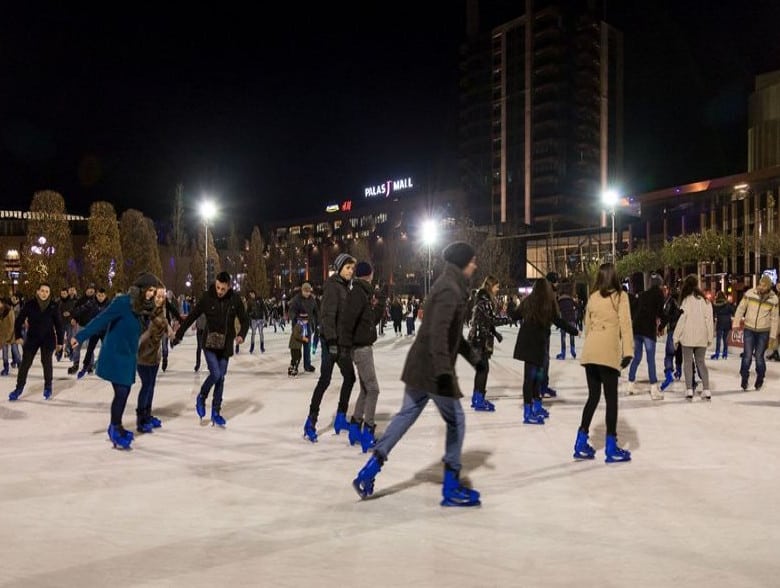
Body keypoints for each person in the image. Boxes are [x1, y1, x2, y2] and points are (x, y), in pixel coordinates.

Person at [352, 241, 484, 506]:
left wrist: (472, 357)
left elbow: (451, 333)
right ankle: (451, 487)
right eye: (472, 260)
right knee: (456, 421)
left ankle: (369, 470)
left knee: (404, 417)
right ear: (462, 263)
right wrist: (445, 373)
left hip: (420, 367)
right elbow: (438, 332)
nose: (475, 265)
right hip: (434, 370)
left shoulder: (449, 283)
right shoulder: (450, 288)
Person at [72, 273, 162, 449]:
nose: (151, 294)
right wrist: (81, 336)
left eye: (153, 291)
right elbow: (101, 319)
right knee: (121, 392)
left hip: (128, 355)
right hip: (114, 354)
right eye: (150, 290)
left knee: (125, 391)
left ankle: (117, 426)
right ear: (142, 289)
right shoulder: (123, 302)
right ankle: (114, 428)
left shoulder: (145, 308)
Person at [172, 271, 249, 426]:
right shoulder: (207, 297)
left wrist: (241, 334)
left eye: (223, 289)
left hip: (226, 344)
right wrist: (178, 335)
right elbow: (193, 315)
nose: (220, 291)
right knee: (216, 373)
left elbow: (245, 319)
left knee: (221, 377)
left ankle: (216, 411)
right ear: (215, 284)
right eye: (218, 287)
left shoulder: (235, 299)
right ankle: (202, 396)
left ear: (228, 287)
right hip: (210, 343)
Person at [574, 263, 633, 462]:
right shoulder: (620, 296)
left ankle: (580, 441)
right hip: (607, 352)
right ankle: (611, 446)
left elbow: (587, 325)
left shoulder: (593, 297)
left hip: (591, 352)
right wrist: (628, 352)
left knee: (593, 397)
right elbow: (625, 324)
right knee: (611, 400)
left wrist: (591, 346)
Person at [302, 253, 357, 442]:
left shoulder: (345, 288)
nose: (351, 271)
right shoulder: (334, 287)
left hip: (342, 343)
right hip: (331, 342)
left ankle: (341, 417)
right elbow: (327, 315)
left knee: (350, 377)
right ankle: (311, 421)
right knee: (325, 380)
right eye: (348, 268)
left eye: (352, 268)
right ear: (340, 267)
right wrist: (332, 342)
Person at [512, 279, 578, 425]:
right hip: (536, 345)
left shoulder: (529, 301)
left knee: (533, 378)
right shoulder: (548, 303)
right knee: (533, 378)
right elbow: (559, 321)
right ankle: (529, 412)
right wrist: (574, 331)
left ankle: (536, 407)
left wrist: (518, 307)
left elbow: (515, 316)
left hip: (531, 344)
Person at [340, 261, 383, 452]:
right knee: (373, 389)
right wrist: (345, 347)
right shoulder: (358, 293)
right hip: (360, 347)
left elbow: (369, 320)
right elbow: (348, 321)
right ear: (370, 273)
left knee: (366, 388)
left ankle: (356, 427)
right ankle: (368, 431)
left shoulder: (362, 293)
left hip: (362, 345)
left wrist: (379, 304)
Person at [8, 283, 64, 401]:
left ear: (49, 293)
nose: (44, 293)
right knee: (25, 364)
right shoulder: (30, 304)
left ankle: (48, 387)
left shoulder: (54, 306)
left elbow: (59, 325)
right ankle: (19, 388)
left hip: (48, 338)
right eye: (42, 291)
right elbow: (19, 321)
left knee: (46, 362)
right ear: (38, 291)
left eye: (47, 291)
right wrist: (18, 336)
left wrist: (60, 342)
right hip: (32, 338)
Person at [136, 285, 174, 432]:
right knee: (146, 385)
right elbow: (144, 333)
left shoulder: (161, 313)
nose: (159, 299)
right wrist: (136, 345)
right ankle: (140, 419)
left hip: (154, 356)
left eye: (161, 297)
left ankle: (147, 414)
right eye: (157, 296)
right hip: (143, 355)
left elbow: (166, 325)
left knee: (151, 385)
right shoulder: (145, 312)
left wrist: (172, 333)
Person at [732, 275, 779, 391]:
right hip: (749, 329)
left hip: (763, 331)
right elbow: (740, 309)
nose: (761, 287)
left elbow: (774, 319)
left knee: (759, 357)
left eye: (764, 285)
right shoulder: (750, 294)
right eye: (760, 284)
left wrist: (773, 336)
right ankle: (744, 378)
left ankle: (760, 378)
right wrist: (736, 323)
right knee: (747, 355)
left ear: (768, 286)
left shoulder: (773, 300)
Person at [673, 275, 714, 401]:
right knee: (701, 362)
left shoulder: (686, 301)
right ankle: (706, 389)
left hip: (688, 337)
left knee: (687, 363)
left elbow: (682, 319)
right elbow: (709, 320)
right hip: (701, 337)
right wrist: (710, 336)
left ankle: (689, 389)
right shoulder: (705, 301)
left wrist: (676, 337)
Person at [627, 274, 667, 400]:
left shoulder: (643, 294)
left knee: (637, 357)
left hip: (637, 329)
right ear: (659, 284)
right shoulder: (658, 294)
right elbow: (661, 313)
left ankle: (630, 384)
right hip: (648, 330)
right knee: (650, 359)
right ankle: (654, 388)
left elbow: (634, 309)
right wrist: (661, 327)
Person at [467, 275, 503, 411]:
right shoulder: (485, 301)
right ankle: (478, 399)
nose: (498, 289)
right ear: (490, 286)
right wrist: (509, 319)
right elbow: (492, 320)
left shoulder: (482, 300)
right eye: (496, 286)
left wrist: (495, 333)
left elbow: (486, 321)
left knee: (482, 370)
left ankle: (477, 397)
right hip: (480, 340)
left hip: (478, 339)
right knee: (483, 370)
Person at [77, 287, 111, 378]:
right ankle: (85, 367)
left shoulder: (109, 304)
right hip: (95, 331)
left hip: (104, 331)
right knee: (90, 349)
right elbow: (82, 309)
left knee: (107, 349)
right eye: (99, 295)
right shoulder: (92, 303)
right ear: (96, 295)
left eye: (102, 296)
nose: (100, 297)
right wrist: (76, 313)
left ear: (105, 296)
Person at [289, 282, 319, 372]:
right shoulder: (296, 299)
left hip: (308, 326)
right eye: (305, 291)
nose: (307, 293)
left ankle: (307, 365)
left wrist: (317, 323)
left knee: (307, 347)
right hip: (298, 326)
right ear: (302, 290)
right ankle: (295, 364)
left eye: (309, 291)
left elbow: (316, 312)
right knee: (296, 347)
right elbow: (292, 311)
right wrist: (296, 319)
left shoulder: (312, 300)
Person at [659, 285, 683, 390]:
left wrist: (661, 327)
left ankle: (669, 373)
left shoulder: (670, 301)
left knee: (669, 353)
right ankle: (678, 371)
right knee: (679, 352)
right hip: (683, 331)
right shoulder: (684, 302)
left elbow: (666, 316)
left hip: (673, 331)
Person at [556, 282, 578, 359]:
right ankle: (573, 351)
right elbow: (577, 306)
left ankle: (563, 353)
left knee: (563, 337)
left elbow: (557, 310)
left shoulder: (560, 300)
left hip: (564, 320)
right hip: (571, 319)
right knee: (572, 336)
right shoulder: (571, 299)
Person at [711, 291, 735, 360]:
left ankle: (717, 353)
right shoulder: (727, 304)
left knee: (718, 339)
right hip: (727, 322)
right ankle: (725, 353)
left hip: (720, 322)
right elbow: (733, 311)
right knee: (725, 339)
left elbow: (713, 312)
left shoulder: (715, 304)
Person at [246, 289, 268, 354]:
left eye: (252, 294)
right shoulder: (249, 301)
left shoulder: (260, 300)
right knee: (253, 334)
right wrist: (249, 315)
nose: (251, 295)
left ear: (254, 293)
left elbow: (264, 308)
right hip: (253, 320)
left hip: (260, 319)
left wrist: (266, 317)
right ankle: (252, 347)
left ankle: (262, 346)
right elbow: (248, 311)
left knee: (261, 333)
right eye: (250, 295)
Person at [288, 312, 309, 377]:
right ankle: (294, 369)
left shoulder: (301, 325)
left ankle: (291, 368)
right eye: (306, 320)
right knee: (297, 357)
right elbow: (296, 335)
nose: (307, 321)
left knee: (295, 358)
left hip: (296, 345)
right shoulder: (298, 325)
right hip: (295, 345)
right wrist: (303, 338)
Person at [0, 298, 16, 376]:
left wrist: (9, 337)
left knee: (16, 353)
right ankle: (6, 369)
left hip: (11, 335)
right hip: (2, 336)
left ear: (2, 303)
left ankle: (20, 366)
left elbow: (12, 325)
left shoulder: (10, 311)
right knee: (4, 355)